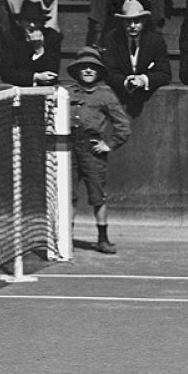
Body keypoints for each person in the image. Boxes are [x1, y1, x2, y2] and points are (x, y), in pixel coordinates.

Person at [65, 46, 131, 255]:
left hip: (92, 150)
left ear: (98, 71)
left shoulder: (105, 94)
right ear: (76, 71)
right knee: (68, 195)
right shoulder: (65, 92)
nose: (87, 71)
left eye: (92, 67)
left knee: (97, 196)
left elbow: (123, 125)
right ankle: (66, 239)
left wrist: (109, 144)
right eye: (83, 67)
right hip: (68, 149)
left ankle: (103, 239)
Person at [102, 0, 172, 117]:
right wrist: (125, 82)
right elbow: (108, 71)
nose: (132, 26)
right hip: (120, 100)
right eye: (128, 22)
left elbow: (165, 73)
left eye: (137, 21)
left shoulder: (155, 41)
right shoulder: (112, 39)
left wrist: (143, 80)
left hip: (148, 103)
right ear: (122, 22)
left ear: (144, 21)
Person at [0, 0, 61, 87]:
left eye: (36, 21)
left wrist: (39, 49)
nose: (32, 25)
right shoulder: (10, 37)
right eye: (27, 20)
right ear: (20, 22)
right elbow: (6, 73)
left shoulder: (52, 37)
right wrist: (35, 77)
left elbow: (51, 72)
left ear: (42, 23)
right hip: (19, 87)